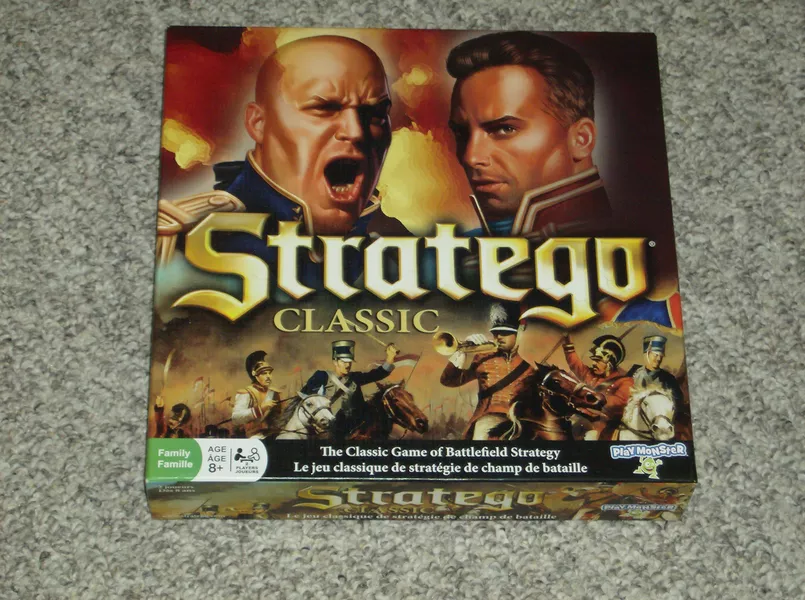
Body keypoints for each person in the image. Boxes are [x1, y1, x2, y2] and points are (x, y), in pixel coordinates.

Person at [156, 35, 400, 270]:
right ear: (258, 124)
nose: (356, 132)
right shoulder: (177, 242)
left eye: (376, 113)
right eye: (324, 108)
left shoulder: (402, 254)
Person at [446, 32, 610, 238]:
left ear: (581, 139)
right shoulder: (445, 250)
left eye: (505, 129)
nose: (471, 157)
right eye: (461, 133)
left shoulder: (633, 240)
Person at [439, 302, 540, 440]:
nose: (499, 337)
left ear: (518, 334)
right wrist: (462, 352)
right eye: (496, 333)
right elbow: (448, 380)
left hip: (518, 422)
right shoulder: (483, 359)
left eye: (505, 333)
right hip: (487, 418)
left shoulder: (529, 370)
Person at [300, 340, 398, 440]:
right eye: (343, 362)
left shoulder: (355, 377)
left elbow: (378, 374)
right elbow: (304, 398)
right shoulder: (322, 376)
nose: (347, 365)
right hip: (330, 429)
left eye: (349, 362)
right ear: (335, 362)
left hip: (354, 429)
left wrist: (390, 357)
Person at [562, 334, 634, 439]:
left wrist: (589, 398)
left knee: (590, 437)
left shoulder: (625, 382)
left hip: (603, 425)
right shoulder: (591, 375)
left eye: (598, 360)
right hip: (580, 417)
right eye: (594, 359)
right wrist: (568, 345)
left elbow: (618, 402)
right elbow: (575, 364)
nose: (593, 363)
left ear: (609, 363)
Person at [231, 351, 282, 438]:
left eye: (269, 373)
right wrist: (260, 409)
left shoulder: (274, 393)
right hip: (254, 436)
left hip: (273, 434)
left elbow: (278, 417)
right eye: (264, 373)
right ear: (254, 374)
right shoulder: (247, 393)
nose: (268, 376)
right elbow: (236, 418)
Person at [627, 335, 683, 405]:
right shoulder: (634, 371)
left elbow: (678, 401)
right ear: (647, 354)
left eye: (661, 356)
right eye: (656, 355)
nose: (659, 359)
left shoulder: (669, 379)